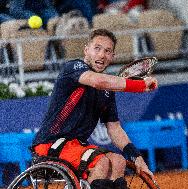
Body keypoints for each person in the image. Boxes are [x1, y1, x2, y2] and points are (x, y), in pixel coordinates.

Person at [32, 28, 158, 189]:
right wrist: (140, 85)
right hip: (50, 145)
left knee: (118, 161)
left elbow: (114, 129)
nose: (101, 55)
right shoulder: (73, 68)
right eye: (97, 48)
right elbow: (98, 81)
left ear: (112, 57)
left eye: (107, 51)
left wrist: (137, 158)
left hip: (78, 147)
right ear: (86, 50)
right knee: (101, 162)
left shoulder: (107, 90)